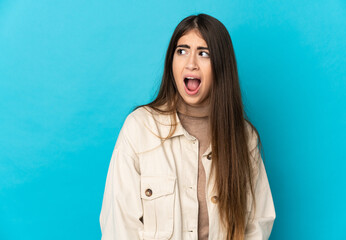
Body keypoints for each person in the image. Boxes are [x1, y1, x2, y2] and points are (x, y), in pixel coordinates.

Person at [100, 13, 275, 240]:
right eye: (181, 51)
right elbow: (119, 228)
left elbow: (257, 224)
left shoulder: (243, 137)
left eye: (204, 53)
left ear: (221, 65)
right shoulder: (139, 128)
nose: (191, 63)